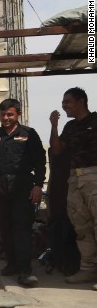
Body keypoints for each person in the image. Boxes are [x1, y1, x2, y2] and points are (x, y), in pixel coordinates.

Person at [0, 98, 46, 287]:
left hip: (23, 186)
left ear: (18, 115)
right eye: (2, 115)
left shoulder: (29, 134)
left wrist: (38, 185)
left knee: (22, 228)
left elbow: (41, 160)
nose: (5, 118)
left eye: (9, 114)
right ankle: (13, 264)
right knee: (5, 227)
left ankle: (25, 271)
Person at [49, 87, 97, 288]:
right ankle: (88, 268)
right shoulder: (69, 127)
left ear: (81, 101)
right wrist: (54, 126)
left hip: (94, 175)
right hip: (75, 179)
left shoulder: (95, 120)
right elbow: (57, 150)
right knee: (81, 225)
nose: (64, 105)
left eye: (67, 101)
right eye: (63, 101)